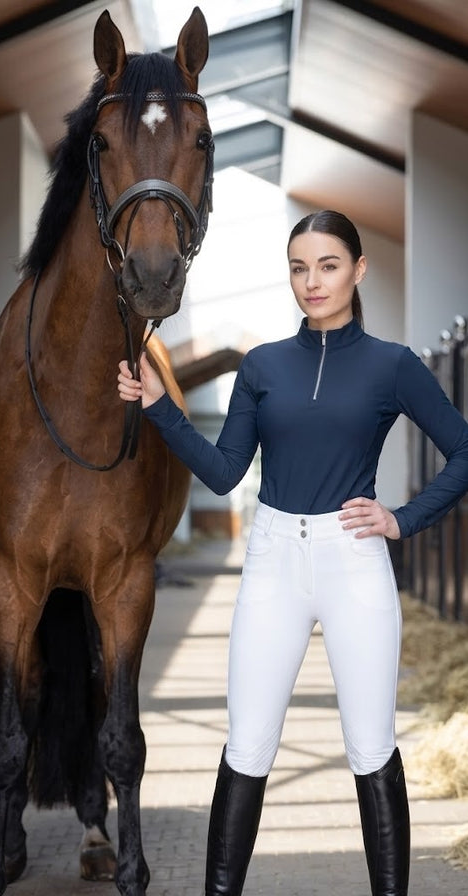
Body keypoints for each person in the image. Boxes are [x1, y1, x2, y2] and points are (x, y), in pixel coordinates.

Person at [117, 209, 468, 896]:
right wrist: (161, 407)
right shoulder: (262, 364)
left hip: (353, 560)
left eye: (328, 265)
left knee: (371, 748)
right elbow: (222, 473)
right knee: (247, 745)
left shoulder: (391, 366)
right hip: (273, 560)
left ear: (357, 270)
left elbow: (463, 450)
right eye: (299, 268)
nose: (312, 282)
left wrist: (401, 520)